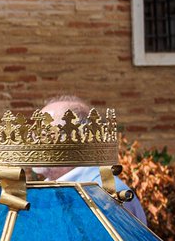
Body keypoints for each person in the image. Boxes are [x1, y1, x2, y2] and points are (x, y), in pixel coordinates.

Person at [34, 95, 148, 225]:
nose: (33, 141)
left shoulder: (107, 195)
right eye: (34, 134)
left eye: (43, 134)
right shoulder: (45, 191)